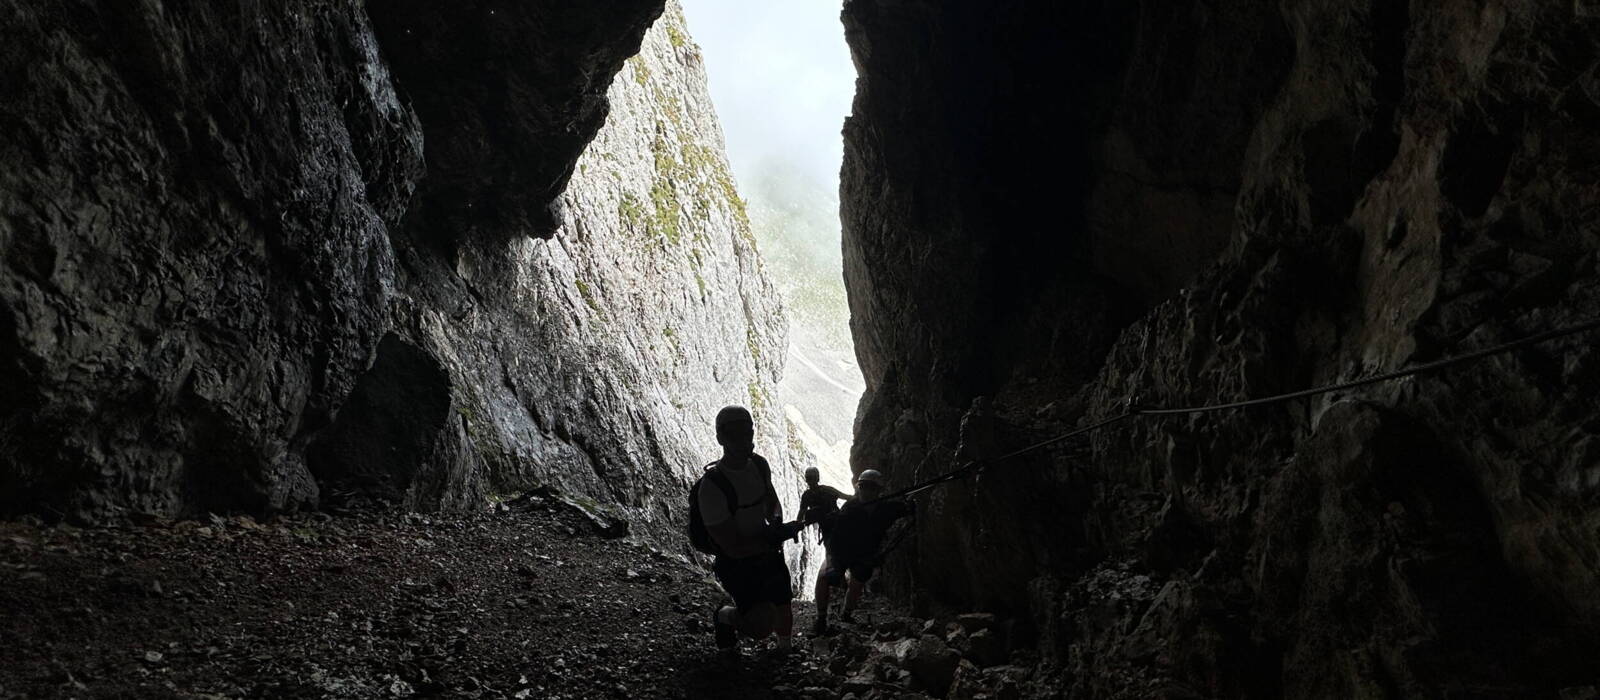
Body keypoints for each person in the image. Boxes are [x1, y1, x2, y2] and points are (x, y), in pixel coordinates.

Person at [699, 405, 804, 655]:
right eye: (734, 433)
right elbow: (732, 547)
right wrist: (772, 538)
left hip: (765, 548)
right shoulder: (712, 487)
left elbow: (771, 502)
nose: (742, 439)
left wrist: (776, 523)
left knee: (782, 600)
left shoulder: (758, 465)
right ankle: (724, 616)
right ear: (721, 438)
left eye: (746, 432)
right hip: (737, 563)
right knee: (760, 626)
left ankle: (785, 649)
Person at [812, 469, 912, 635]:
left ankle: (846, 614)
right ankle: (821, 618)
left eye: (870, 487)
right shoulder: (850, 508)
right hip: (843, 553)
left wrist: (910, 504)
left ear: (879, 490)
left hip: (864, 555)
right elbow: (835, 538)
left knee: (857, 582)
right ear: (859, 487)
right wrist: (832, 560)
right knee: (824, 577)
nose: (866, 490)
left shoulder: (887, 508)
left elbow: (905, 508)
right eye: (863, 486)